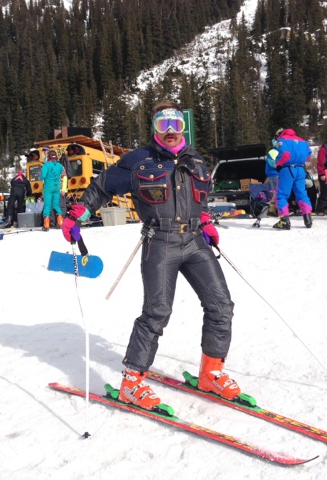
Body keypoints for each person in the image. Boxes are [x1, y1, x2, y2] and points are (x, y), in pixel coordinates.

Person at [62, 100, 241, 410]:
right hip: (160, 242)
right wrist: (79, 212)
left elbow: (199, 199)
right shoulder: (138, 161)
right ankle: (132, 382)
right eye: (163, 124)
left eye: (175, 124)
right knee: (157, 311)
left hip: (195, 240)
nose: (170, 131)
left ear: (183, 127)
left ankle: (211, 373)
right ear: (155, 127)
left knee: (221, 305)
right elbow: (103, 187)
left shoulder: (196, 161)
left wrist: (206, 222)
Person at [267, 128, 313, 230]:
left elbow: (285, 155)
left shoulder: (283, 140)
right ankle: (308, 218)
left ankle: (284, 220)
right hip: (300, 169)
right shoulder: (302, 141)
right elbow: (309, 154)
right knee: (302, 193)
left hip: (287, 169)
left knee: (282, 195)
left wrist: (277, 163)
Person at [40, 150, 65, 230]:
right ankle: (60, 222)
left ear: (49, 157)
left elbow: (43, 176)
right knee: (56, 204)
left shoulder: (46, 165)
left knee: (47, 205)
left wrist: (41, 177)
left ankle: (46, 224)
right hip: (57, 186)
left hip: (48, 186)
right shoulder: (60, 166)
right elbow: (62, 174)